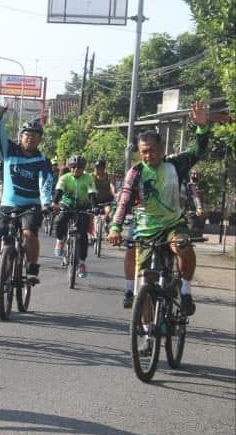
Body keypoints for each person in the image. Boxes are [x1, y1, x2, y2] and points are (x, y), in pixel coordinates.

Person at [107, 101, 211, 316]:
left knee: (183, 246)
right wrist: (115, 227)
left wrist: (202, 128)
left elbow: (199, 150)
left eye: (152, 151)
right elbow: (124, 201)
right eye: (143, 152)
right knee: (145, 284)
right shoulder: (135, 173)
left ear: (161, 149)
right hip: (145, 230)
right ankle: (145, 330)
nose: (148, 155)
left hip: (173, 224)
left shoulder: (176, 164)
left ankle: (185, 292)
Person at [0, 105, 53, 283]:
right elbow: (0, 134)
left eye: (35, 135)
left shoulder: (43, 161)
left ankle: (32, 267)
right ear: (21, 137)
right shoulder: (9, 150)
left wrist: (46, 203)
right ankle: (3, 266)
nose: (30, 138)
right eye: (27, 134)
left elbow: (46, 182)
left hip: (31, 205)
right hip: (9, 204)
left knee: (28, 234)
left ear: (40, 140)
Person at [52, 155, 97, 278]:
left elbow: (92, 193)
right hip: (66, 204)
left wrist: (94, 206)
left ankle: (81, 263)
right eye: (73, 167)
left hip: (83, 206)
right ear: (70, 167)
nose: (76, 170)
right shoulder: (64, 178)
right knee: (60, 220)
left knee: (83, 236)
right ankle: (60, 240)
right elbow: (59, 191)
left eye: (79, 168)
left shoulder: (88, 178)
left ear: (83, 168)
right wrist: (54, 203)